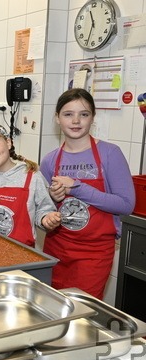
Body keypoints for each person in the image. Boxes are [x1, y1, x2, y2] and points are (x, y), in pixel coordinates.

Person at [40, 88, 135, 299]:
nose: (76, 121)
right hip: (56, 248)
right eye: (68, 114)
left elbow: (126, 204)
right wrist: (53, 200)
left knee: (83, 313)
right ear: (57, 118)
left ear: (92, 117)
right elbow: (43, 208)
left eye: (83, 114)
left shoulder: (110, 153)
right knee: (53, 308)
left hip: (94, 254)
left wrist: (77, 187)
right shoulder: (49, 160)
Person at [0, 122, 61, 247]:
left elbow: (44, 209)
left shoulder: (32, 176)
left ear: (8, 143)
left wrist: (46, 219)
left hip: (25, 255)